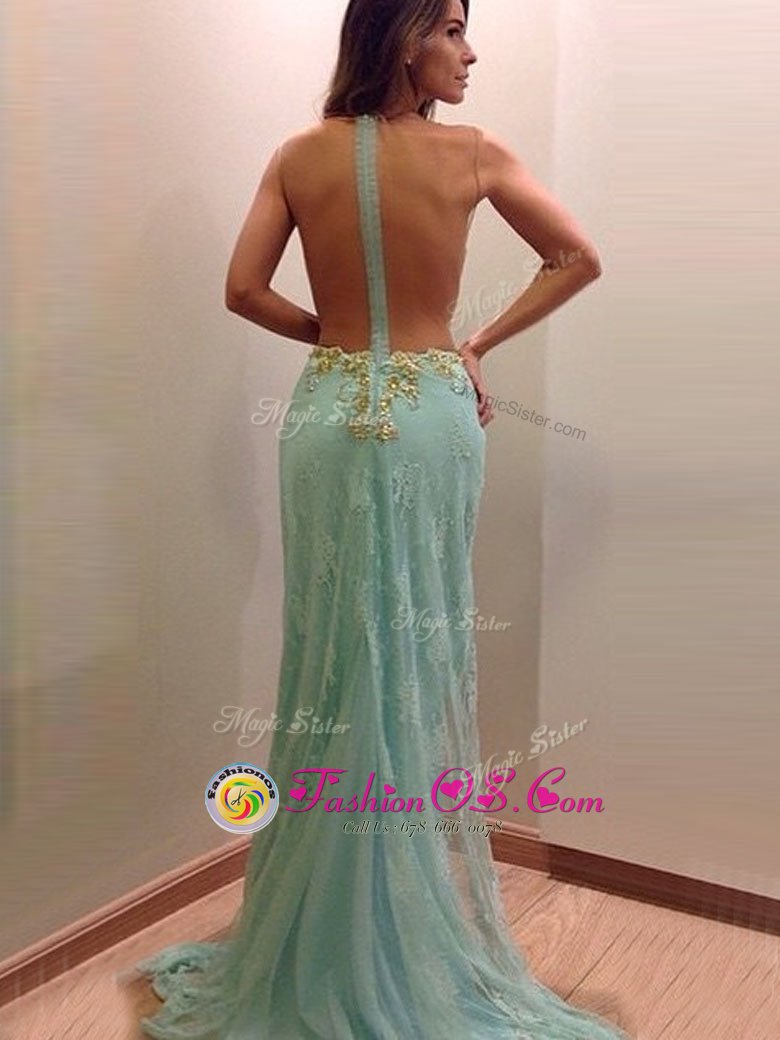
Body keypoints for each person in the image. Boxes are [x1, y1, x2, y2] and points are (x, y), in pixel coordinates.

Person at [128, 1, 629, 1037]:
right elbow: (577, 257)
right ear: (403, 37)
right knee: (410, 650)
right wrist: (470, 344)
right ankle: (393, 925)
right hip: (431, 410)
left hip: (324, 413)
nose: (469, 51)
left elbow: (241, 290)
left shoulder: (296, 155)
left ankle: (325, 923)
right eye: (451, 28)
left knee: (331, 653)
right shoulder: (473, 153)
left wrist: (332, 332)